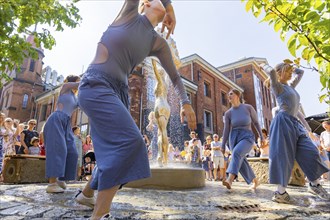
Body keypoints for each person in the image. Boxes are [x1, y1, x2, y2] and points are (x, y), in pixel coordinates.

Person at [75, 1, 196, 219]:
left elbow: (175, 77)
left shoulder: (157, 42)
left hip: (119, 94)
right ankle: (100, 214)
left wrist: (186, 102)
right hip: (96, 86)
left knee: (113, 152)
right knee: (131, 143)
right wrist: (170, 8)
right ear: (146, 4)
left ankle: (86, 194)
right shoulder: (128, 14)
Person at [261, 62, 329, 203]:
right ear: (280, 72)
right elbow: (272, 73)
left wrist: (292, 65)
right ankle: (280, 193)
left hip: (294, 123)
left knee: (310, 151)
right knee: (283, 156)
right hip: (282, 122)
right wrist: (264, 65)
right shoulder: (277, 87)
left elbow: (301, 73)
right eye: (288, 71)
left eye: (291, 71)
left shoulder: (290, 87)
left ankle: (314, 184)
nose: (291, 73)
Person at [44, 75, 80, 193]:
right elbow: (80, 85)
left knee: (72, 152)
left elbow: (84, 104)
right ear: (73, 81)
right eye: (78, 81)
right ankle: (52, 183)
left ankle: (60, 179)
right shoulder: (65, 87)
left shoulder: (75, 97)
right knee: (58, 149)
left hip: (67, 123)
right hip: (57, 119)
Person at [221, 89, 263, 190]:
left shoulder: (248, 108)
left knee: (236, 153)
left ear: (237, 95)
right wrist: (223, 145)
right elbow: (226, 130)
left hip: (247, 136)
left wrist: (261, 136)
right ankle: (255, 181)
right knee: (241, 159)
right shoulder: (228, 113)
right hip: (234, 138)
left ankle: (230, 180)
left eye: (231, 94)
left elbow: (256, 123)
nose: (229, 96)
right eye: (228, 94)